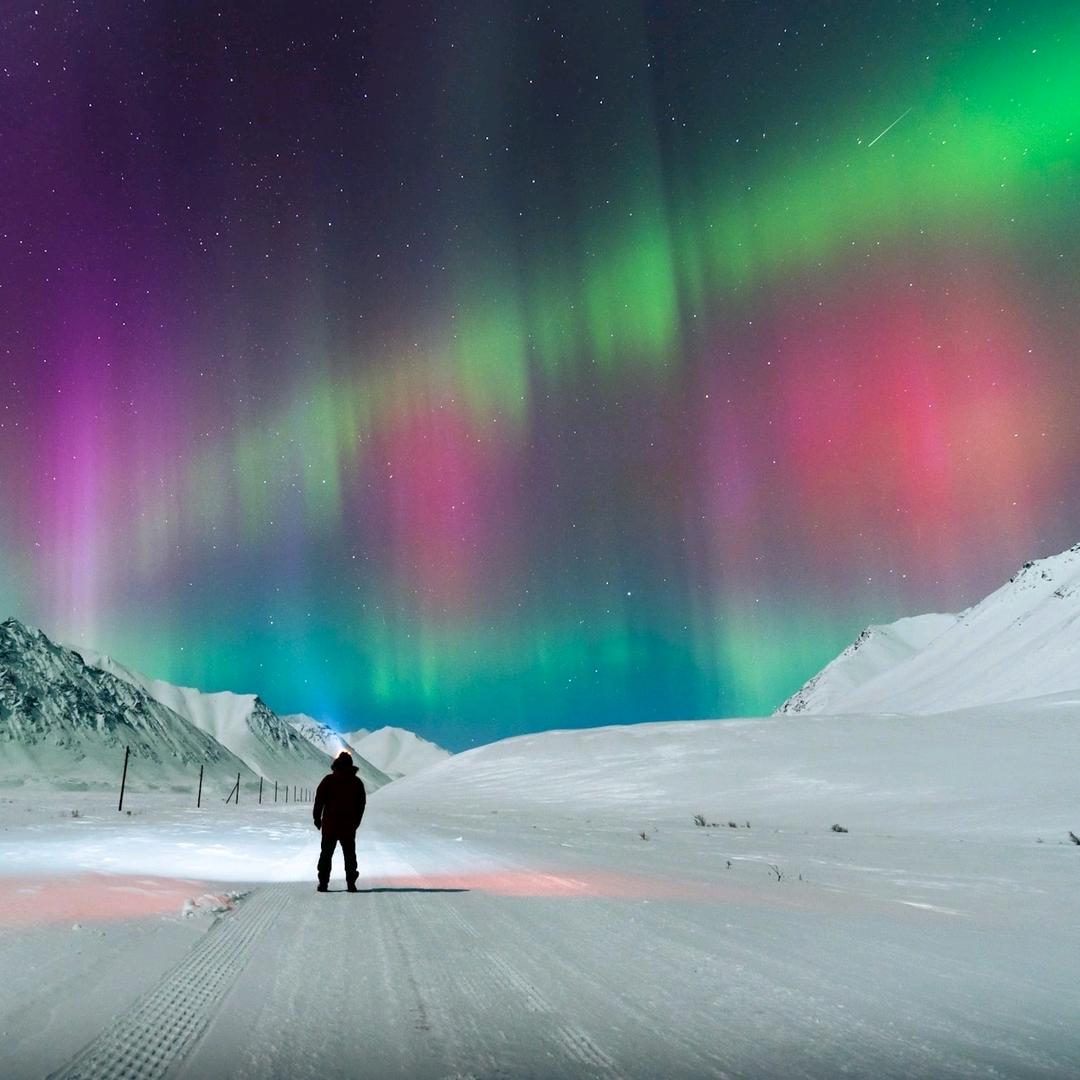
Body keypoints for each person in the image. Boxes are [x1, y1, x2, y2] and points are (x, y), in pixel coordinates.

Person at [313, 750, 367, 892]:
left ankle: (323, 883)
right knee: (349, 855)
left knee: (326, 854)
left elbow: (319, 801)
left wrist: (317, 818)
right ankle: (351, 883)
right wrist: (356, 822)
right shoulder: (356, 782)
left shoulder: (328, 780)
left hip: (330, 825)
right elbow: (361, 804)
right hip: (348, 826)